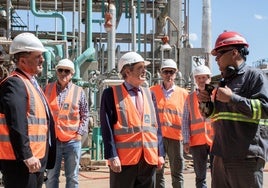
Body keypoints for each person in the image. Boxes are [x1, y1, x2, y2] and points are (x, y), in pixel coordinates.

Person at [197, 31, 268, 188]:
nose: (216, 59)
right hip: (221, 154)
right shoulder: (223, 81)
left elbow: (265, 110)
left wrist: (233, 98)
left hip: (246, 156)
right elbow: (215, 115)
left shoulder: (255, 77)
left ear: (234, 52)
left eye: (219, 54)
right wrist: (205, 103)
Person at [100, 51, 165, 188]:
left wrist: (160, 154)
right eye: (140, 67)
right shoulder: (111, 94)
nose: (144, 71)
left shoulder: (150, 94)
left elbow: (156, 127)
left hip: (148, 159)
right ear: (127, 71)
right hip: (124, 160)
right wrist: (111, 156)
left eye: (144, 67)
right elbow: (107, 128)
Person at [0, 32, 56, 188]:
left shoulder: (30, 83)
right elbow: (16, 122)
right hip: (21, 162)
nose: (42, 60)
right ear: (23, 60)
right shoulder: (15, 84)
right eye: (38, 56)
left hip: (35, 158)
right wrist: (27, 156)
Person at [44, 58, 89, 188]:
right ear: (56, 72)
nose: (63, 73)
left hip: (73, 141)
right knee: (51, 177)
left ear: (72, 74)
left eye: (67, 71)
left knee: (73, 177)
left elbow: (85, 114)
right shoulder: (47, 89)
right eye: (60, 70)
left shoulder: (79, 91)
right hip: (53, 141)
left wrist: (80, 133)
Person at [150, 59, 188, 188]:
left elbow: (188, 117)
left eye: (171, 72)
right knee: (158, 171)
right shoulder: (152, 91)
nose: (168, 75)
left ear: (176, 74)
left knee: (177, 172)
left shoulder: (184, 94)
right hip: (157, 138)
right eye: (166, 71)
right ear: (161, 73)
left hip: (176, 138)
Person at [182, 65, 214, 188]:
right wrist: (186, 141)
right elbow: (185, 120)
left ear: (209, 79)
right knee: (200, 176)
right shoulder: (189, 98)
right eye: (199, 78)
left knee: (217, 173)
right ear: (195, 80)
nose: (201, 81)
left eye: (204, 78)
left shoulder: (216, 95)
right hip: (197, 142)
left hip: (215, 141)